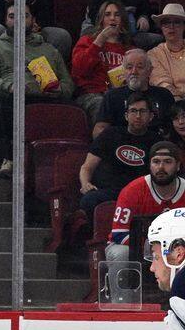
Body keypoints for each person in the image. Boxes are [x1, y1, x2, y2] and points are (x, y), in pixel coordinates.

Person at [0, 4, 74, 179]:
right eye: (13, 16)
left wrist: (60, 89)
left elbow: (68, 83)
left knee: (70, 107)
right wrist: (9, 86)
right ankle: (9, 159)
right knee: (0, 101)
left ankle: (62, 162)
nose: (19, 21)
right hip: (12, 96)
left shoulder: (49, 50)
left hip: (45, 96)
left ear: (33, 20)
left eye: (25, 16)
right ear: (6, 20)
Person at [105, 141, 185, 281]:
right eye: (156, 162)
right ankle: (121, 302)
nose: (161, 167)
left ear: (178, 165)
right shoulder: (132, 191)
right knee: (121, 254)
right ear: (149, 165)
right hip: (133, 247)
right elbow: (119, 234)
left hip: (179, 248)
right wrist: (155, 251)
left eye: (167, 162)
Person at [79, 92, 162, 221]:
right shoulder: (109, 134)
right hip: (108, 191)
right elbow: (87, 167)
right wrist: (85, 184)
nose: (138, 116)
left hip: (140, 194)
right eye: (133, 111)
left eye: (142, 111)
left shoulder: (157, 142)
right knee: (89, 200)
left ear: (151, 116)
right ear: (126, 115)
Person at [71, 0, 131, 124]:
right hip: (92, 95)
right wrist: (99, 41)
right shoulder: (87, 41)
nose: (112, 18)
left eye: (117, 15)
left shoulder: (130, 49)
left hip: (122, 95)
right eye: (107, 14)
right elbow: (79, 70)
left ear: (123, 20)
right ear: (101, 19)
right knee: (101, 105)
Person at [96, 48, 175, 137]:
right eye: (129, 67)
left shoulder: (164, 95)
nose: (134, 72)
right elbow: (100, 130)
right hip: (122, 146)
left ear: (150, 71)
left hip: (155, 146)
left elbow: (173, 127)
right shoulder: (112, 96)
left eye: (140, 67)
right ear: (123, 71)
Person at [150, 3, 185, 101]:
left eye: (177, 22)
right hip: (172, 103)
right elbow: (162, 83)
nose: (171, 26)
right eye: (166, 23)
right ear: (161, 27)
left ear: (183, 26)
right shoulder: (154, 54)